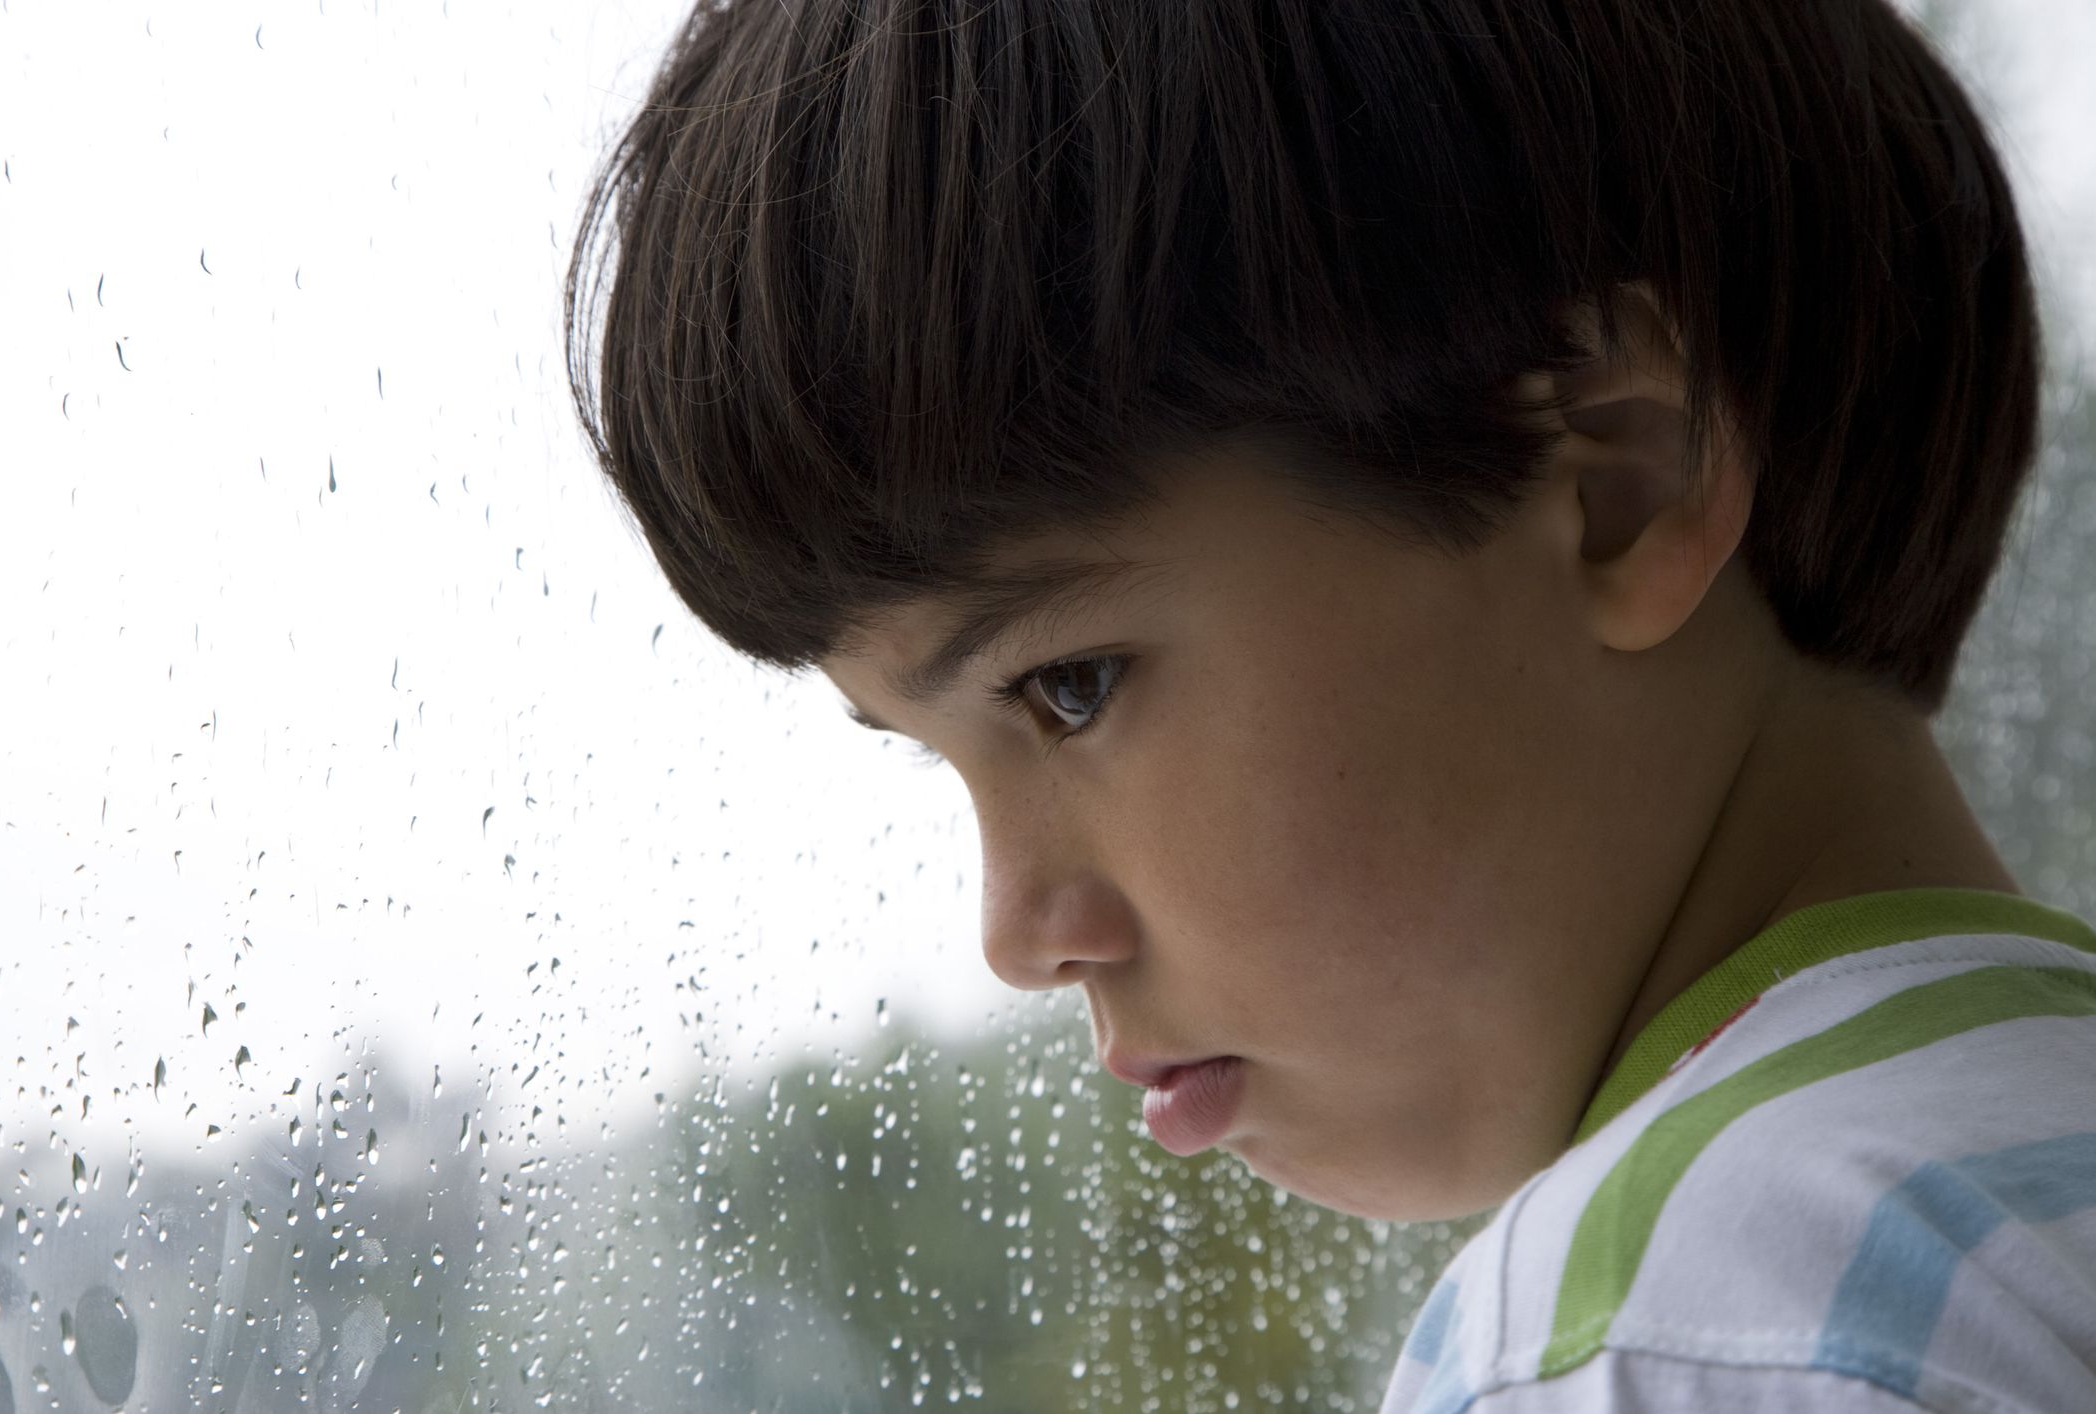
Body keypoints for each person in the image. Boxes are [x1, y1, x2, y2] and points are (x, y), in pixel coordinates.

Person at [566, 0, 2096, 1407]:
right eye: (934, 760)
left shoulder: (1674, 1333)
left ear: (1620, 479)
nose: (1020, 932)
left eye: (1068, 688)